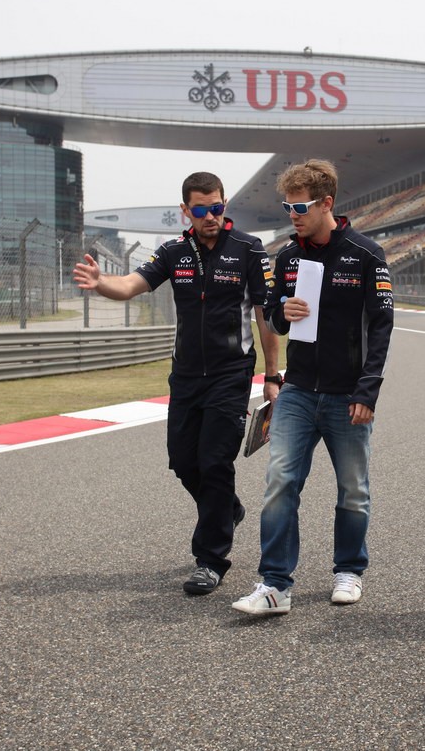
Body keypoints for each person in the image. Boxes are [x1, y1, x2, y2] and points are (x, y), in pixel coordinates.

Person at [73, 172, 279, 595]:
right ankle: (229, 510)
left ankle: (210, 559)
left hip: (230, 374)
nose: (210, 216)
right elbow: (131, 285)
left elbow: (264, 315)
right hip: (185, 376)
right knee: (184, 463)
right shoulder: (173, 251)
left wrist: (272, 376)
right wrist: (101, 284)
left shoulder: (249, 250)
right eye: (201, 209)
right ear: (186, 210)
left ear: (224, 206)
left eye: (217, 207)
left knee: (215, 462)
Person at [232, 159, 394, 616]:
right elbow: (275, 318)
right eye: (286, 206)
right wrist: (286, 312)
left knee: (353, 488)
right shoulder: (287, 256)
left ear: (327, 203)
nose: (292, 214)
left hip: (348, 394)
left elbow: (382, 326)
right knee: (280, 481)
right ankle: (275, 585)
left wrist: (369, 390)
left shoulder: (366, 253)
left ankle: (348, 570)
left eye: (300, 206)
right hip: (299, 390)